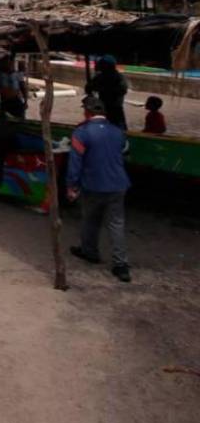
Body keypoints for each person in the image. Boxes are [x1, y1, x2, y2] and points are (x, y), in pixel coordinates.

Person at [67, 94, 132, 283]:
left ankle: (90, 251)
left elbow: (75, 163)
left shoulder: (81, 132)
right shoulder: (118, 132)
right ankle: (121, 265)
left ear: (86, 112)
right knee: (116, 224)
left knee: (90, 219)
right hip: (118, 184)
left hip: (93, 184)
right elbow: (124, 152)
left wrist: (71, 185)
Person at [85, 55, 128, 130]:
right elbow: (89, 88)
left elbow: (122, 90)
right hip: (103, 108)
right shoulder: (100, 77)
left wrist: (102, 89)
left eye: (102, 65)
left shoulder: (118, 77)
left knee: (119, 130)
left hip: (115, 109)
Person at [0, 54, 28, 120]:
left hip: (16, 100)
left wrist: (25, 101)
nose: (8, 64)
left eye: (10, 62)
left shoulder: (18, 74)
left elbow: (23, 88)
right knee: (5, 119)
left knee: (19, 119)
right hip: (5, 101)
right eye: (5, 62)